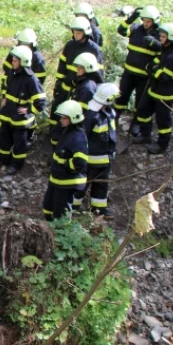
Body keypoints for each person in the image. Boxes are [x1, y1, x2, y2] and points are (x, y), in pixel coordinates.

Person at [132, 23, 173, 154]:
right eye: (161, 35)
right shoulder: (164, 51)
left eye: (163, 36)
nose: (160, 38)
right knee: (143, 111)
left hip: (165, 95)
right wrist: (154, 69)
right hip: (154, 90)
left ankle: (162, 145)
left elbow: (165, 76)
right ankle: (145, 135)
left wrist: (155, 71)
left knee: (162, 120)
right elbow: (153, 65)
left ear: (171, 38)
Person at [0, 45, 46, 174]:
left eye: (15, 60)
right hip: (8, 113)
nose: (12, 62)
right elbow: (5, 83)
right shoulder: (12, 72)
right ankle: (3, 160)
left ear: (23, 62)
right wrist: (4, 97)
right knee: (4, 138)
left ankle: (16, 166)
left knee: (19, 144)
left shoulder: (31, 79)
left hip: (20, 118)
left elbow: (41, 101)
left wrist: (29, 110)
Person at [115, 5, 162, 136]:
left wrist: (156, 46)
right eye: (144, 21)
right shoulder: (136, 29)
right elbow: (121, 30)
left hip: (144, 77)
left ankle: (135, 124)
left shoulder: (159, 35)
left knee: (140, 102)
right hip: (129, 73)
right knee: (121, 97)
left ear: (155, 21)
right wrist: (131, 18)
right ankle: (115, 118)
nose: (146, 24)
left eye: (149, 21)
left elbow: (165, 53)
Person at [75, 83, 119, 218]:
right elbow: (82, 138)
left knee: (101, 185)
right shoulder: (92, 116)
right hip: (91, 161)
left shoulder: (109, 113)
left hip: (106, 159)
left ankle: (99, 209)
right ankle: (71, 208)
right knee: (82, 185)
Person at [42, 100, 89, 221]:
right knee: (48, 206)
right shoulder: (68, 132)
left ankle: (61, 236)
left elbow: (80, 162)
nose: (60, 120)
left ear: (72, 119)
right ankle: (49, 230)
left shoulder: (78, 137)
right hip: (57, 179)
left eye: (64, 118)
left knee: (61, 213)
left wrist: (64, 164)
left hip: (67, 183)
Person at [52, 17, 103, 119]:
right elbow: (62, 65)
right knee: (56, 110)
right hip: (66, 86)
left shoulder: (94, 49)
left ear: (86, 33)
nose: (76, 35)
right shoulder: (70, 45)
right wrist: (59, 82)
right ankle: (54, 133)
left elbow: (99, 73)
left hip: (81, 90)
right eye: (74, 32)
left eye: (78, 33)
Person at [3, 28, 46, 144]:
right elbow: (6, 71)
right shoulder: (15, 53)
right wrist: (4, 96)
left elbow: (40, 80)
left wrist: (30, 91)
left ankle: (29, 135)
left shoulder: (38, 58)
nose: (24, 46)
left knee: (27, 118)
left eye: (26, 44)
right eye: (22, 43)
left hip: (29, 94)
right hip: (13, 93)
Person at [50, 51, 102, 146]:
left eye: (80, 67)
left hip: (76, 123)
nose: (77, 69)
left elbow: (83, 114)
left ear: (88, 69)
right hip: (73, 120)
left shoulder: (87, 88)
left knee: (57, 133)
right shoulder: (84, 83)